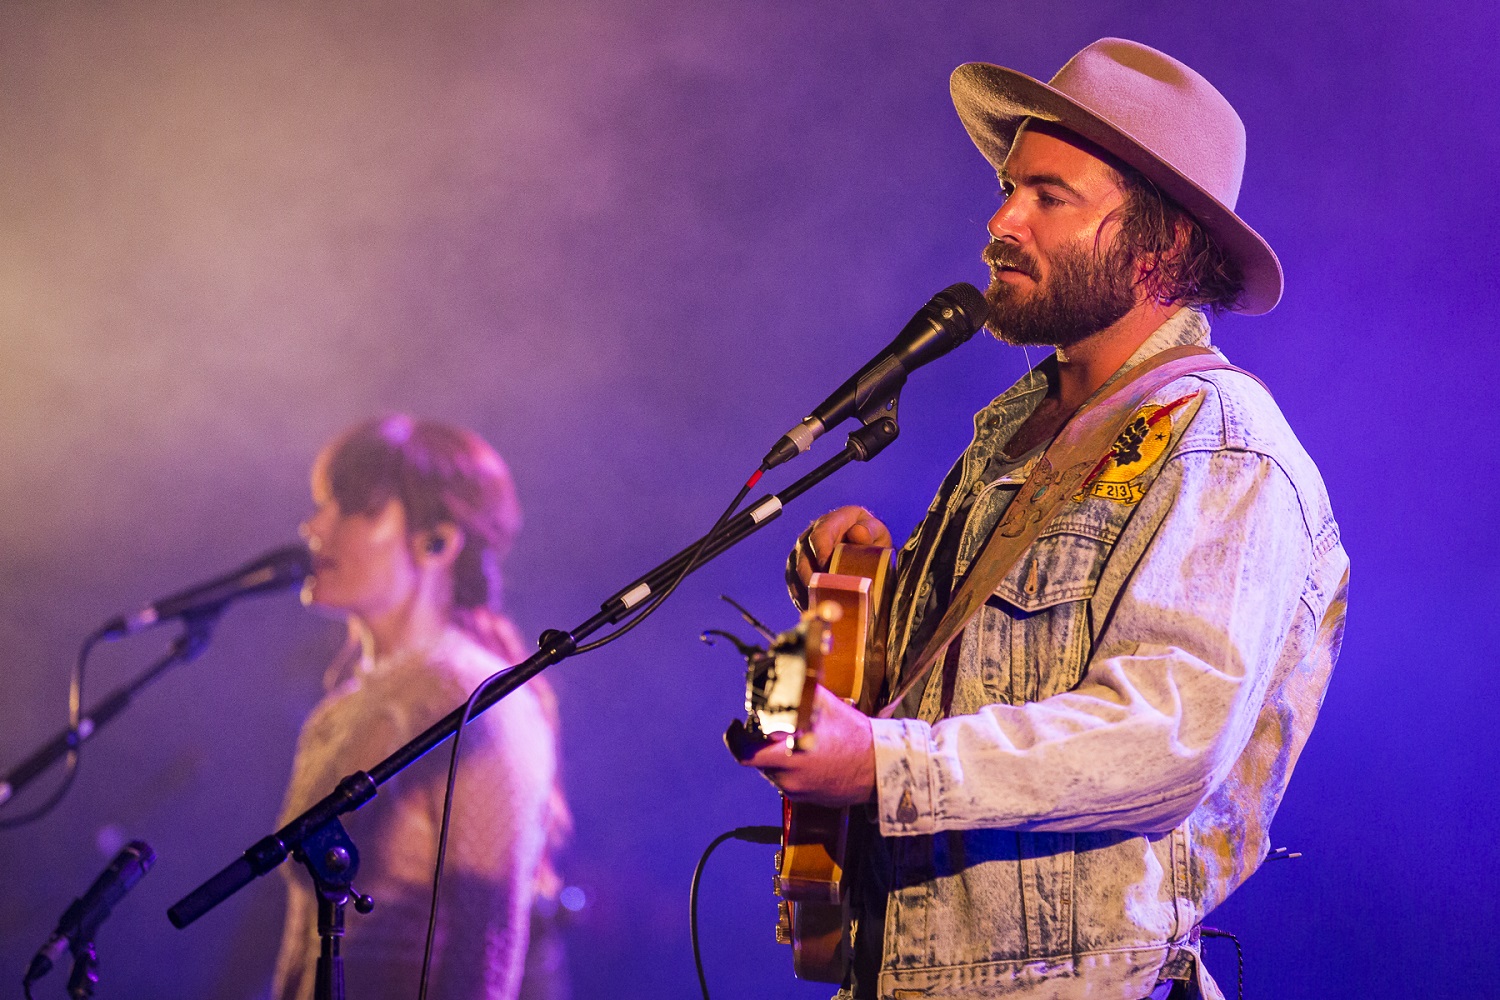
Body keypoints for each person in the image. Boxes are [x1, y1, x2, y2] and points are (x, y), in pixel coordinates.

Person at [731, 39, 1348, 1000]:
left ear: (1163, 244)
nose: (998, 222)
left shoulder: (1225, 446)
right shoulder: (1012, 437)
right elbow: (950, 697)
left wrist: (882, 766)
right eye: (1008, 188)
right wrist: (852, 607)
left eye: (1047, 197)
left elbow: (1165, 735)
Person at [270, 415, 570, 1000]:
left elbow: (485, 952)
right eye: (323, 506)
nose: (315, 528)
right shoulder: (339, 708)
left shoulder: (477, 702)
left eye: (354, 508)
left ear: (438, 541)